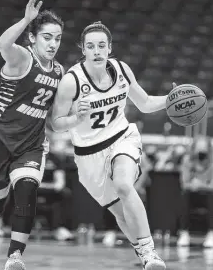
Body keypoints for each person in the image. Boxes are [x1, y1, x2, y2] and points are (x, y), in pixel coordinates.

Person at [52, 21, 176, 270]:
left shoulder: (121, 70)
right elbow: (56, 123)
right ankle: (143, 254)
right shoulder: (71, 81)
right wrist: (76, 118)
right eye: (90, 46)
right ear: (83, 50)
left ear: (110, 48)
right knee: (120, 214)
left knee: (123, 184)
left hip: (122, 137)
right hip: (88, 154)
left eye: (101, 45)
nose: (96, 51)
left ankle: (151, 254)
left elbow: (145, 103)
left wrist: (171, 98)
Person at [0, 0, 64, 270]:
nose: (53, 43)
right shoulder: (22, 58)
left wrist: (77, 116)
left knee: (27, 191)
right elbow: (2, 44)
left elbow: (55, 119)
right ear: (33, 38)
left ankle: (15, 256)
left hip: (31, 145)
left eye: (58, 38)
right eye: (47, 37)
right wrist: (26, 19)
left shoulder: (59, 71)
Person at [177, 135, 213, 248]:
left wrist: (201, 185)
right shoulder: (187, 161)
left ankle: (212, 233)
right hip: (192, 194)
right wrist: (193, 185)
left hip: (208, 196)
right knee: (184, 195)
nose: (201, 152)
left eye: (204, 149)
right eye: (199, 149)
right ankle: (184, 232)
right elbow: (184, 184)